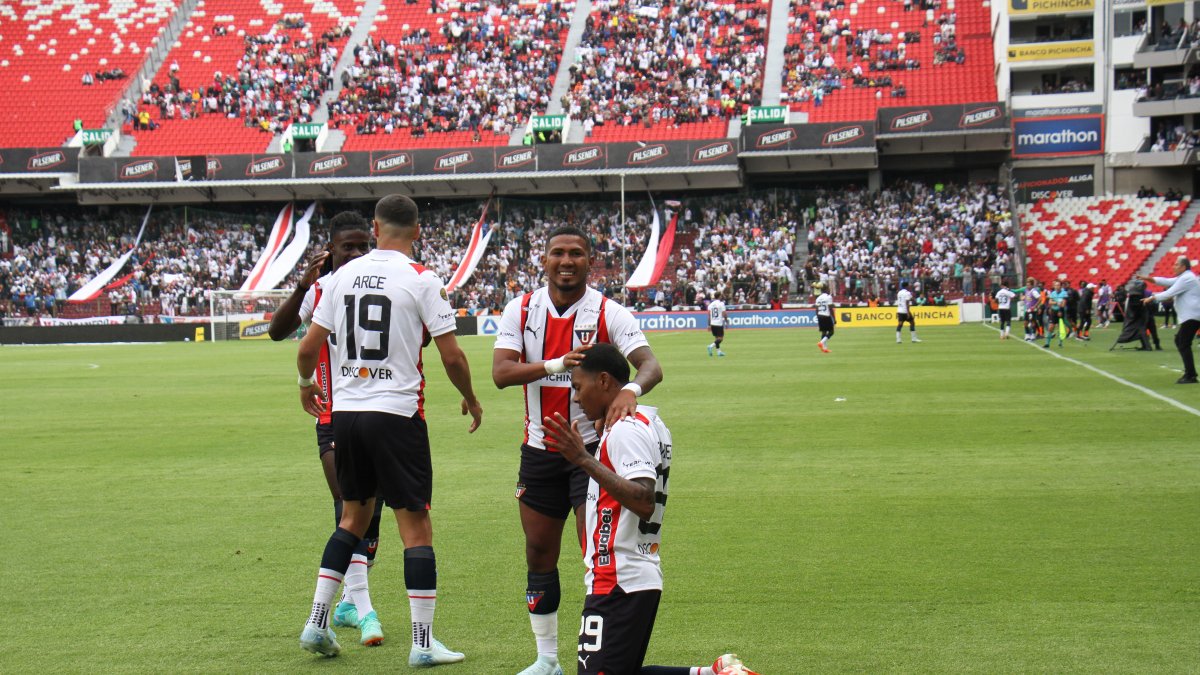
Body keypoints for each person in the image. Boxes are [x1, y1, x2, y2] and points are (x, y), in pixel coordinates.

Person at [295, 194, 483, 665]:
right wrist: (470, 396)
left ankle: (316, 622)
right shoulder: (422, 278)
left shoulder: (338, 278)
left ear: (375, 228)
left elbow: (307, 348)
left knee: (351, 520)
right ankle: (423, 644)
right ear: (417, 231)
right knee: (416, 528)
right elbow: (453, 355)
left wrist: (304, 384)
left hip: (346, 416)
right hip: (397, 415)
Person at [493, 225, 663, 675]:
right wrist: (555, 363)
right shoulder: (521, 309)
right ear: (544, 260)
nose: (566, 261)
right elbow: (501, 373)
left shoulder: (608, 311)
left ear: (590, 261)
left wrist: (629, 389)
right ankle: (546, 658)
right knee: (538, 553)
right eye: (558, 253)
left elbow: (651, 365)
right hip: (539, 449)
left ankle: (602, 650)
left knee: (597, 553)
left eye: (576, 253)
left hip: (591, 453)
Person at [541, 343, 759, 675]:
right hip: (630, 574)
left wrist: (582, 458)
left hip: (618, 579)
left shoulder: (626, 430)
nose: (575, 398)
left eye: (578, 387)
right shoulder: (646, 423)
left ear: (604, 381)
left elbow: (644, 500)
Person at [269, 212, 385, 646]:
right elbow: (278, 332)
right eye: (346, 247)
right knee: (348, 507)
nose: (355, 253)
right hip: (333, 414)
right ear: (329, 250)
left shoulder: (383, 285)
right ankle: (365, 612)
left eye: (362, 246)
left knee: (371, 518)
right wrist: (302, 285)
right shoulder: (319, 290)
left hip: (381, 412)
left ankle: (350, 603)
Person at [1142, 256, 1200, 383]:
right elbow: (1167, 281)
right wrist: (1149, 279)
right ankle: (1190, 373)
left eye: (1176, 264)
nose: (1174, 267)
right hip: (1192, 315)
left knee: (1183, 343)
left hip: (1192, 315)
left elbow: (1169, 292)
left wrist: (1152, 298)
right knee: (1180, 341)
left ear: (1183, 267)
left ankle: (1191, 375)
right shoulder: (1185, 277)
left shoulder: (1186, 278)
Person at [1043, 279, 1069, 349]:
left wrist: (1058, 305)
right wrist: (1057, 302)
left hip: (1061, 311)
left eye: (1058, 285)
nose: (1056, 286)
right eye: (1055, 285)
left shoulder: (1064, 293)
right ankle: (1047, 343)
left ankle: (1060, 343)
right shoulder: (1053, 293)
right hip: (1054, 311)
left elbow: (1063, 304)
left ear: (1061, 286)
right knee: (1051, 326)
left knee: (1061, 326)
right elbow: (1050, 302)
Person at [815, 282, 835, 352]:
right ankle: (821, 342)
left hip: (820, 316)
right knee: (831, 332)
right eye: (828, 289)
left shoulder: (818, 298)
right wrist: (834, 318)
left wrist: (818, 317)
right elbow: (830, 308)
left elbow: (816, 309)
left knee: (824, 332)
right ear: (826, 289)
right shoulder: (828, 297)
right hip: (826, 316)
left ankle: (824, 349)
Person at [707, 292, 727, 357]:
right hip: (718, 323)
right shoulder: (721, 304)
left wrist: (708, 325)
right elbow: (724, 314)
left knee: (717, 339)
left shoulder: (710, 305)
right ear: (719, 296)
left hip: (712, 323)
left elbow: (709, 316)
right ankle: (710, 346)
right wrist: (726, 321)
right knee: (721, 338)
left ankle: (719, 352)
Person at [1022, 277, 1042, 341]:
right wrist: (1024, 299)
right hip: (1028, 309)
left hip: (1033, 310)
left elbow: (1040, 299)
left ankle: (1033, 334)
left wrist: (1035, 306)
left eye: (1029, 285)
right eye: (1027, 285)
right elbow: (1026, 298)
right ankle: (1027, 334)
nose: (1027, 286)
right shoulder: (1026, 290)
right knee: (1025, 322)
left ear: (1032, 285)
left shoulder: (1034, 291)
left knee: (1033, 322)